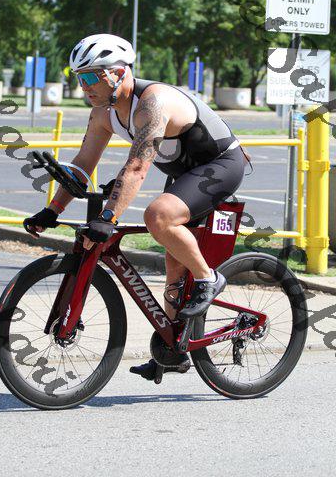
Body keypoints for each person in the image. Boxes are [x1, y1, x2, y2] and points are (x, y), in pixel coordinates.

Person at [24, 33, 248, 381]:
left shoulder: (152, 103)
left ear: (118, 73)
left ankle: (209, 278)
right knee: (174, 268)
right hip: (184, 173)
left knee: (158, 216)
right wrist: (52, 210)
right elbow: (82, 165)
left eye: (90, 76)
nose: (84, 86)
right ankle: (173, 350)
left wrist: (109, 218)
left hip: (220, 165)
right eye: (78, 77)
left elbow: (138, 166)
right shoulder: (103, 113)